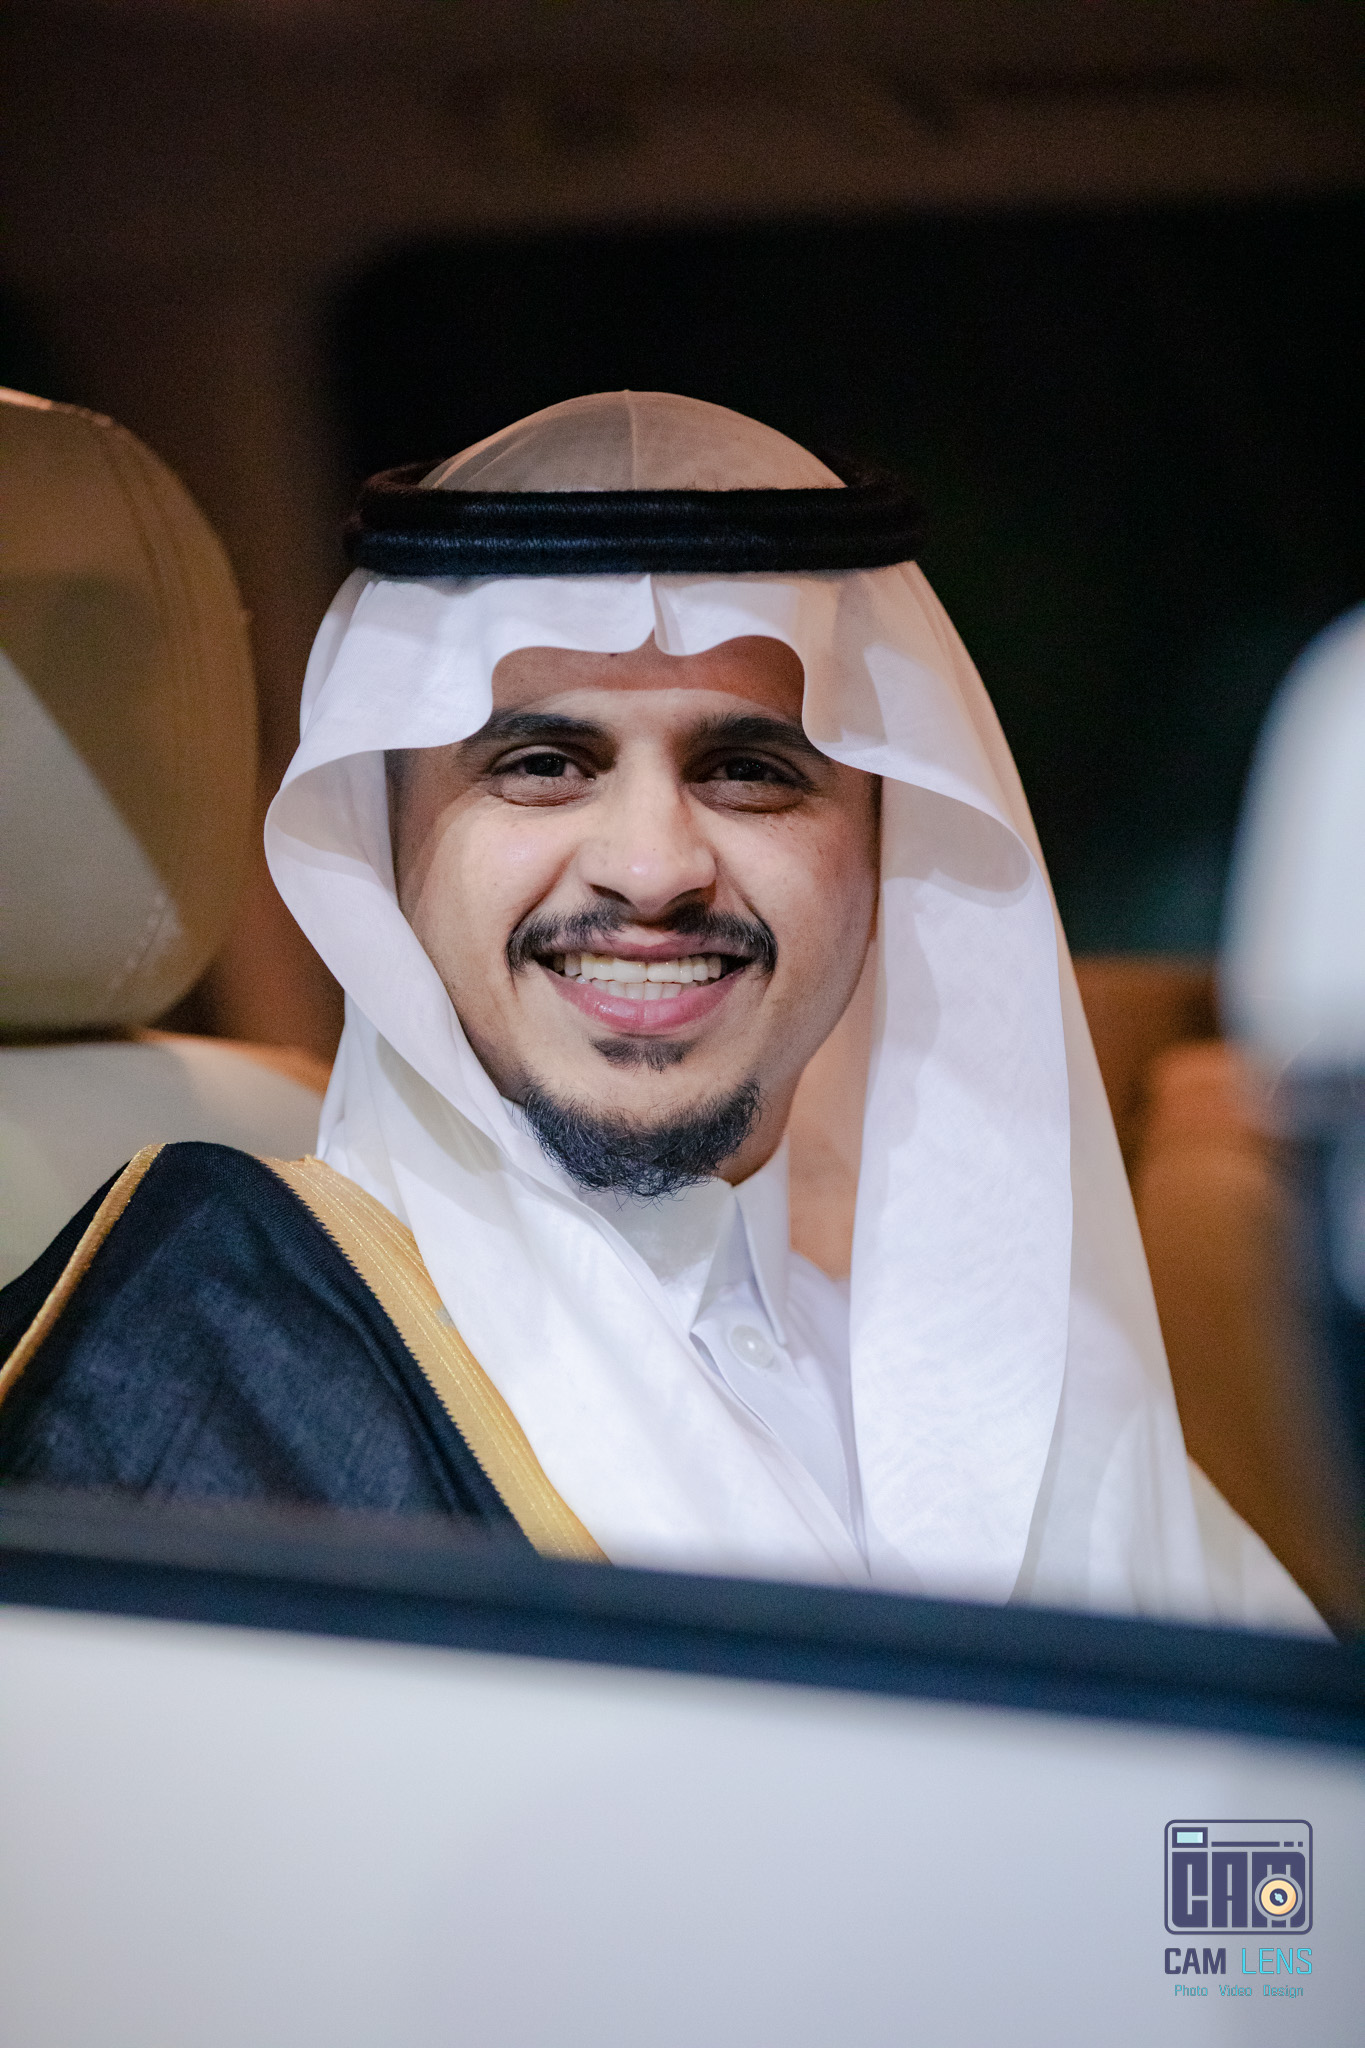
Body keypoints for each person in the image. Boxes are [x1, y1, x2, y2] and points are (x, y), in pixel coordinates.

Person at [0, 392, 1321, 1629]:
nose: (650, 868)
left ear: (879, 848)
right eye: (541, 764)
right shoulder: (215, 1344)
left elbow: (1263, 1802)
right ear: (385, 845)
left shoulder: (1013, 1393)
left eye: (748, 770)